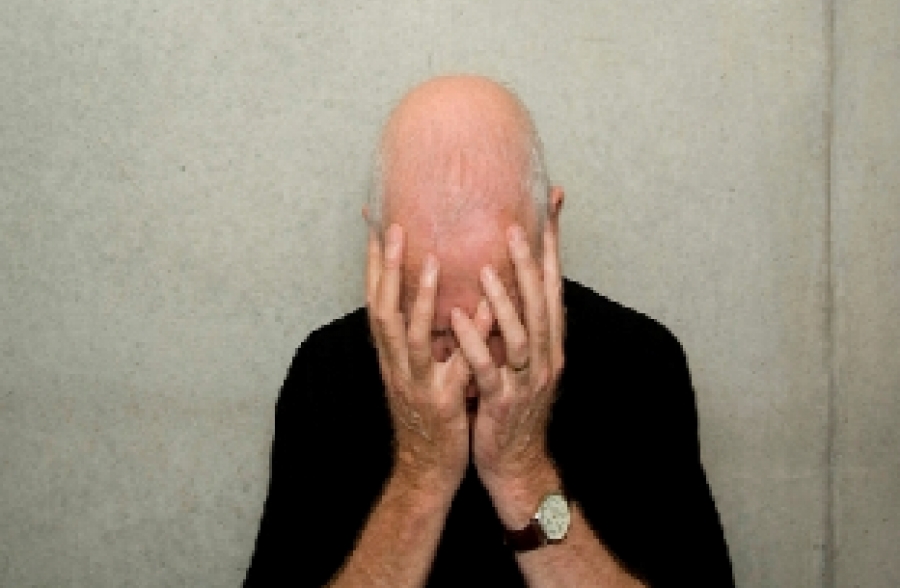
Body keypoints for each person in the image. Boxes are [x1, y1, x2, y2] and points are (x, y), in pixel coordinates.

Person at [243, 76, 734, 587]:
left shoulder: (640, 364)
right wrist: (421, 475)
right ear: (377, 247)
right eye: (434, 330)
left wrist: (522, 472)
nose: (469, 369)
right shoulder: (325, 373)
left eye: (496, 327)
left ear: (549, 230)